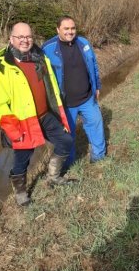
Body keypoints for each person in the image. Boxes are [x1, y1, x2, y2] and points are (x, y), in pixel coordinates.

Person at [0, 22, 74, 206]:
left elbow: (50, 84)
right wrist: (13, 130)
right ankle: (20, 193)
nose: (25, 41)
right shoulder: (1, 67)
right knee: (22, 160)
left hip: (45, 115)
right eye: (20, 37)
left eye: (28, 37)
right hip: (23, 122)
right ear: (11, 39)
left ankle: (53, 176)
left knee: (66, 140)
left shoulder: (39, 57)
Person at [43, 16, 106, 168]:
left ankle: (99, 157)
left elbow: (94, 65)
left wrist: (97, 86)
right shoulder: (48, 48)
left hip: (87, 98)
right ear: (58, 29)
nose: (70, 32)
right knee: (67, 136)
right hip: (65, 104)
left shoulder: (83, 43)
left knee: (96, 126)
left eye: (73, 28)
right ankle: (69, 164)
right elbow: (43, 79)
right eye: (66, 29)